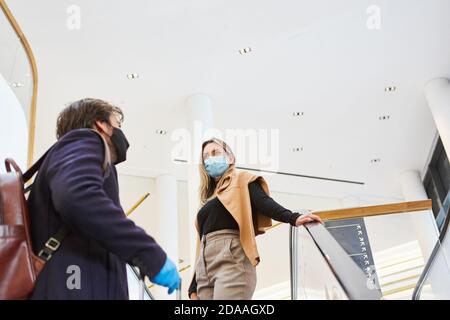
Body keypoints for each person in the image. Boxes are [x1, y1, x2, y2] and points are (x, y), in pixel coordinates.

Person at [28, 98, 180, 299]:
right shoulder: (85, 140)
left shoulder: (69, 154)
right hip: (73, 285)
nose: (120, 132)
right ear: (101, 124)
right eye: (118, 124)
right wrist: (149, 255)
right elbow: (78, 197)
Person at [188, 138, 323, 300]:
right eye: (206, 157)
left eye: (215, 152)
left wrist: (293, 217)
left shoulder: (242, 180)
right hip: (204, 269)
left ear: (230, 158)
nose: (210, 158)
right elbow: (200, 243)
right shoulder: (206, 200)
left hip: (231, 260)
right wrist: (193, 285)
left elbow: (264, 203)